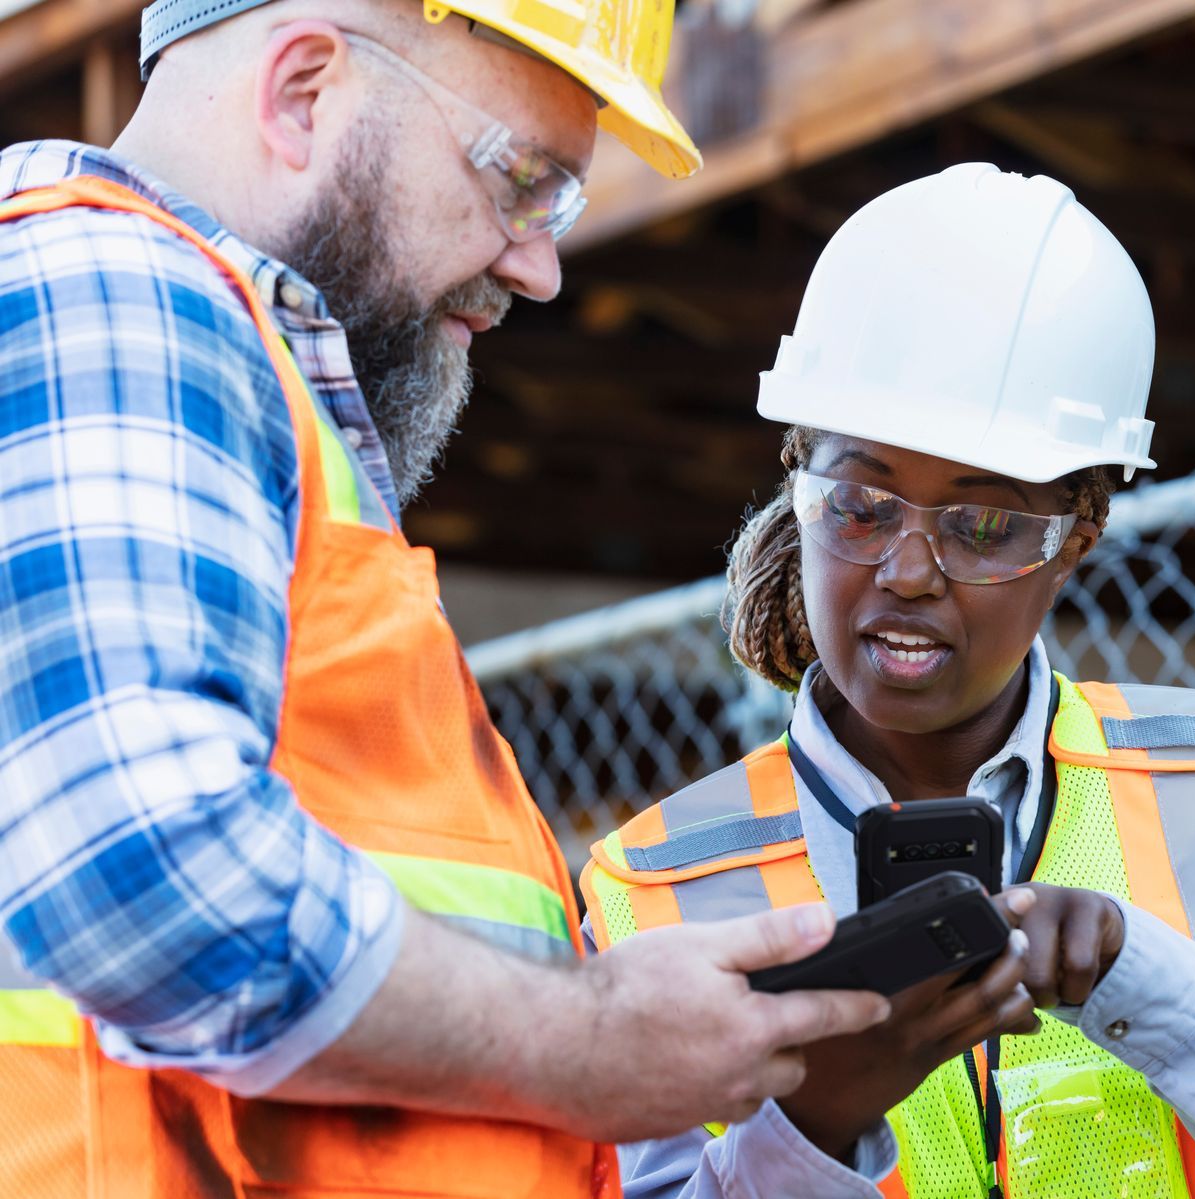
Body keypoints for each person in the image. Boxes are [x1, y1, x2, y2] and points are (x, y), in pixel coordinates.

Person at [0, 0, 889, 1193]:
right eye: (522, 179)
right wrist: (589, 1038)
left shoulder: (193, 360)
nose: (542, 263)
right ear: (302, 91)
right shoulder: (110, 287)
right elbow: (138, 871)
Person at [578, 163, 1195, 1198]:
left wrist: (1154, 986)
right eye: (860, 503)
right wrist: (815, 1124)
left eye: (984, 524)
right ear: (797, 483)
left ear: (1078, 536)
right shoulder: (653, 893)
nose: (908, 571)